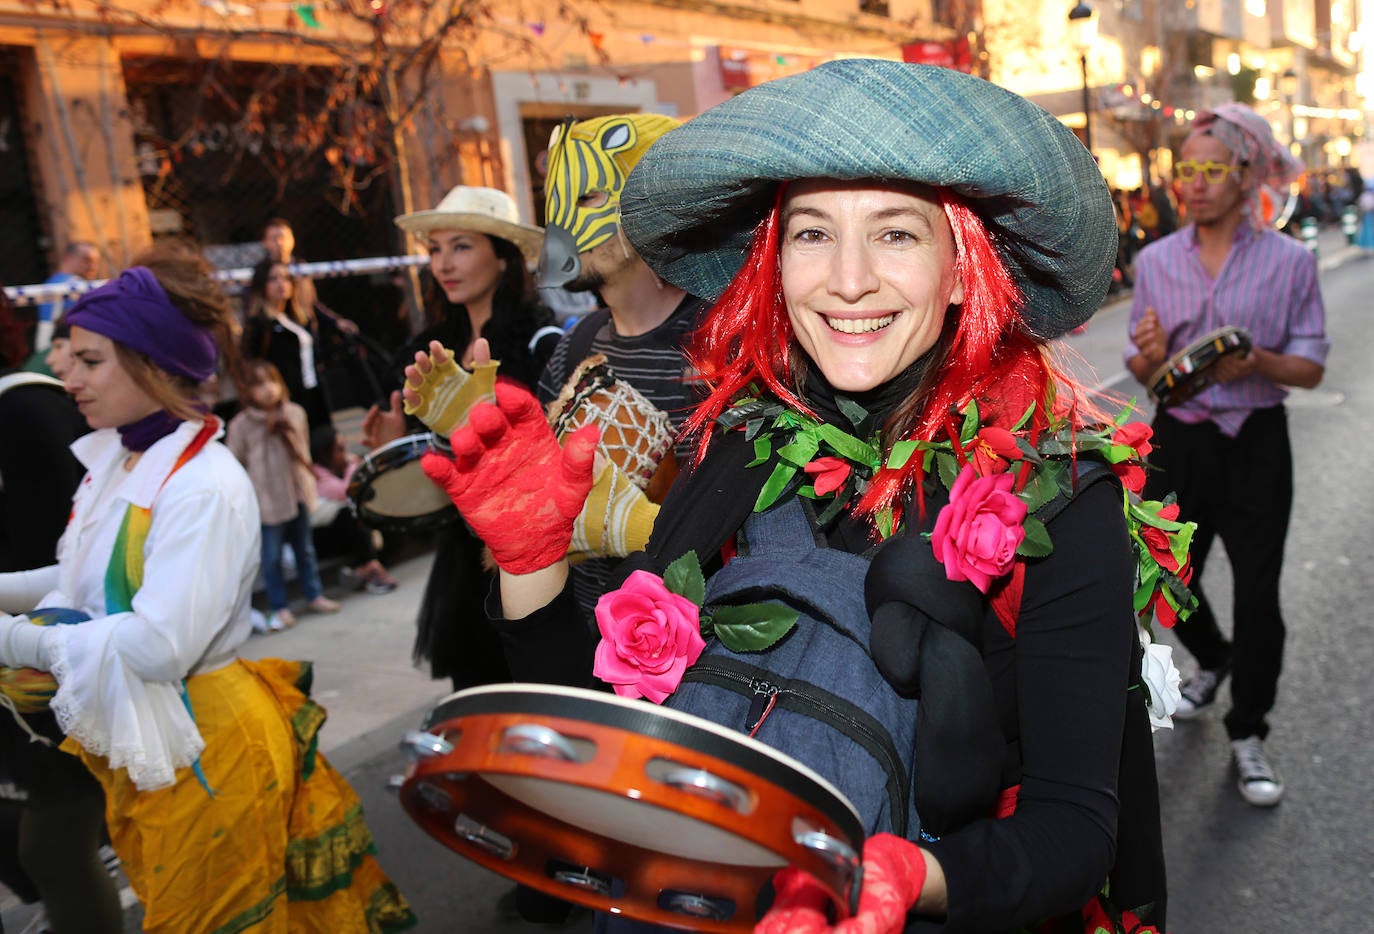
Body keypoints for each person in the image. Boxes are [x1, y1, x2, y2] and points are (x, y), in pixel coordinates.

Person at [419, 60, 1188, 933]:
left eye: (897, 234)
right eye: (812, 233)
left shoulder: (1063, 500)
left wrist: (903, 878)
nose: (846, 279)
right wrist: (533, 567)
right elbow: (622, 755)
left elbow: (1076, 832)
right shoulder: (734, 450)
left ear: (966, 270)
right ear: (773, 264)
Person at [0, 245, 415, 933]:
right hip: (157, 740)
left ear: (155, 364)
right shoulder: (120, 456)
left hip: (207, 746)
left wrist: (13, 640)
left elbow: (159, 643)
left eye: (90, 360)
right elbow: (85, 582)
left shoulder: (203, 482)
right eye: (69, 356)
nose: (64, 374)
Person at [1125, 103, 1327, 808]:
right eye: (1188, 169)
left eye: (1213, 168)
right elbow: (1145, 363)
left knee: (1259, 596)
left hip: (1256, 444)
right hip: (1179, 435)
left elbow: (1311, 365)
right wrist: (1150, 357)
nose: (1197, 182)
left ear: (1247, 175)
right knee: (1164, 576)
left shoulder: (1292, 262)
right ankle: (1213, 659)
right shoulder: (1152, 261)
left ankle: (1249, 731)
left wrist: (1261, 362)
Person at [360, 186, 560, 691]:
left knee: (534, 691)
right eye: (435, 249)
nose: (444, 263)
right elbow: (426, 462)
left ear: (503, 257)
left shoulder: (543, 341)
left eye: (462, 246)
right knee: (475, 698)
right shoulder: (429, 350)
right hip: (461, 555)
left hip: (528, 548)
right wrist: (392, 439)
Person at [531, 112, 708, 617]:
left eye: (587, 199)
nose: (562, 224)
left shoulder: (719, 343)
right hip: (591, 634)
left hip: (693, 645)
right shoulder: (576, 345)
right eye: (554, 203)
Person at [0, 365, 120, 934]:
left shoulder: (25, 406)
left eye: (91, 360)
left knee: (53, 844)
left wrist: (14, 634)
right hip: (39, 665)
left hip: (56, 673)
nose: (76, 378)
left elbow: (82, 575)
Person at [227, 359, 341, 631]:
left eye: (271, 381)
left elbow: (304, 451)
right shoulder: (242, 425)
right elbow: (235, 461)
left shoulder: (295, 413)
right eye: (259, 384)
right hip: (265, 498)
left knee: (305, 549)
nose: (267, 390)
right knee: (272, 555)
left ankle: (314, 594)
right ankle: (280, 606)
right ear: (247, 391)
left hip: (296, 491)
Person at [242, 257, 344, 428]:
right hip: (283, 401)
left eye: (285, 277)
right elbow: (251, 364)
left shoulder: (300, 318)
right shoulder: (259, 324)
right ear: (262, 285)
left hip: (314, 394)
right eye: (273, 279)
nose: (281, 283)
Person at [309, 423, 399, 595]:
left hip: (347, 533)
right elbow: (346, 491)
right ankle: (370, 569)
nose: (345, 452)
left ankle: (365, 570)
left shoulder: (338, 469)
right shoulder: (315, 473)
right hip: (322, 539)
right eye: (340, 448)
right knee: (351, 513)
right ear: (324, 452)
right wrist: (354, 465)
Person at [34, 242, 100, 354]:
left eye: (95, 262)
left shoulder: (51, 283)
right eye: (86, 260)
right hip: (64, 351)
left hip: (45, 349)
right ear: (68, 258)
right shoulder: (76, 286)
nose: (92, 267)